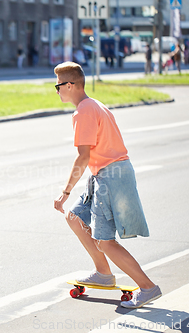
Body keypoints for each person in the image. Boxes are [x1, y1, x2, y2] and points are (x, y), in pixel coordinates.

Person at [53, 61, 162, 309]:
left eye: (57, 86)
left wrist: (65, 192)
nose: (57, 91)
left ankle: (147, 287)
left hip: (110, 175)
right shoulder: (95, 105)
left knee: (105, 241)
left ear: (70, 85)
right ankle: (103, 273)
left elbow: (83, 156)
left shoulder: (84, 112)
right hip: (102, 174)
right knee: (74, 218)